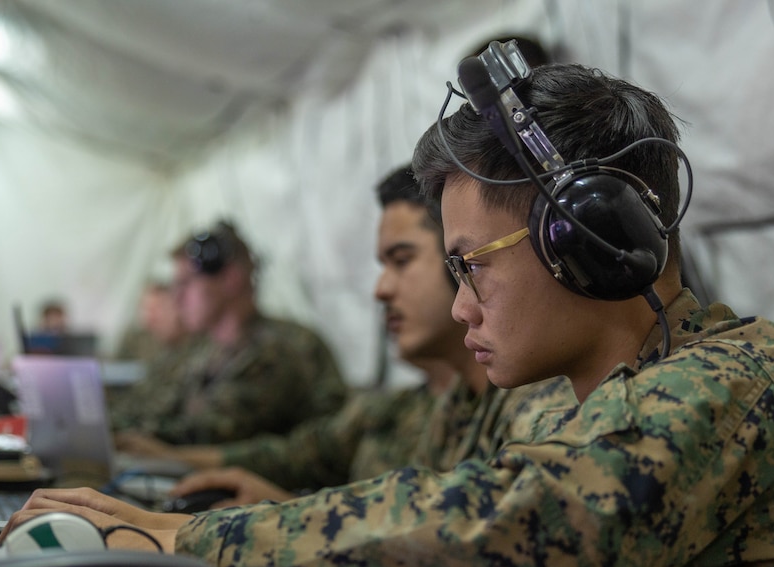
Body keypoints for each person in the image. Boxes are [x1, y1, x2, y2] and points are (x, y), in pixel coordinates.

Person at [4, 60, 774, 567]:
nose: (461, 303)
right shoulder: (570, 404)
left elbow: (515, 526)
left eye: (470, 266)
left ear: (586, 239)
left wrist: (190, 543)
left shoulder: (736, 382)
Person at [118, 165, 574, 506]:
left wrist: (278, 516)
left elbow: (461, 534)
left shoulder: (536, 406)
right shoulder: (419, 407)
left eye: (402, 260)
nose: (380, 289)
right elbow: (294, 457)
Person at [109, 220, 347, 445]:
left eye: (186, 283)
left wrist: (123, 431)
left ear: (231, 280)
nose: (177, 298)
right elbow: (156, 405)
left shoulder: (287, 346)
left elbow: (212, 432)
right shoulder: (202, 348)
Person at [115, 281, 185, 363]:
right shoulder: (134, 340)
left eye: (157, 308)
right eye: (147, 309)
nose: (151, 315)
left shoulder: (183, 337)